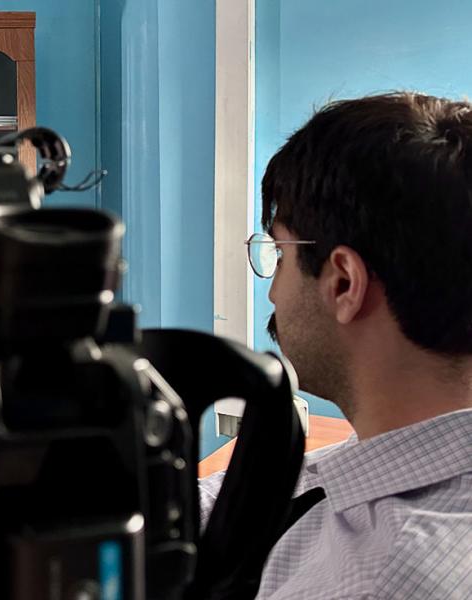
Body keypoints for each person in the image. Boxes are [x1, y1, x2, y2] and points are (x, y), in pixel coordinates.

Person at [201, 92, 472, 598]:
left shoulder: (383, 579)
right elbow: (307, 485)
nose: (273, 290)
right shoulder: (403, 448)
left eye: (280, 255)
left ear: (344, 283)